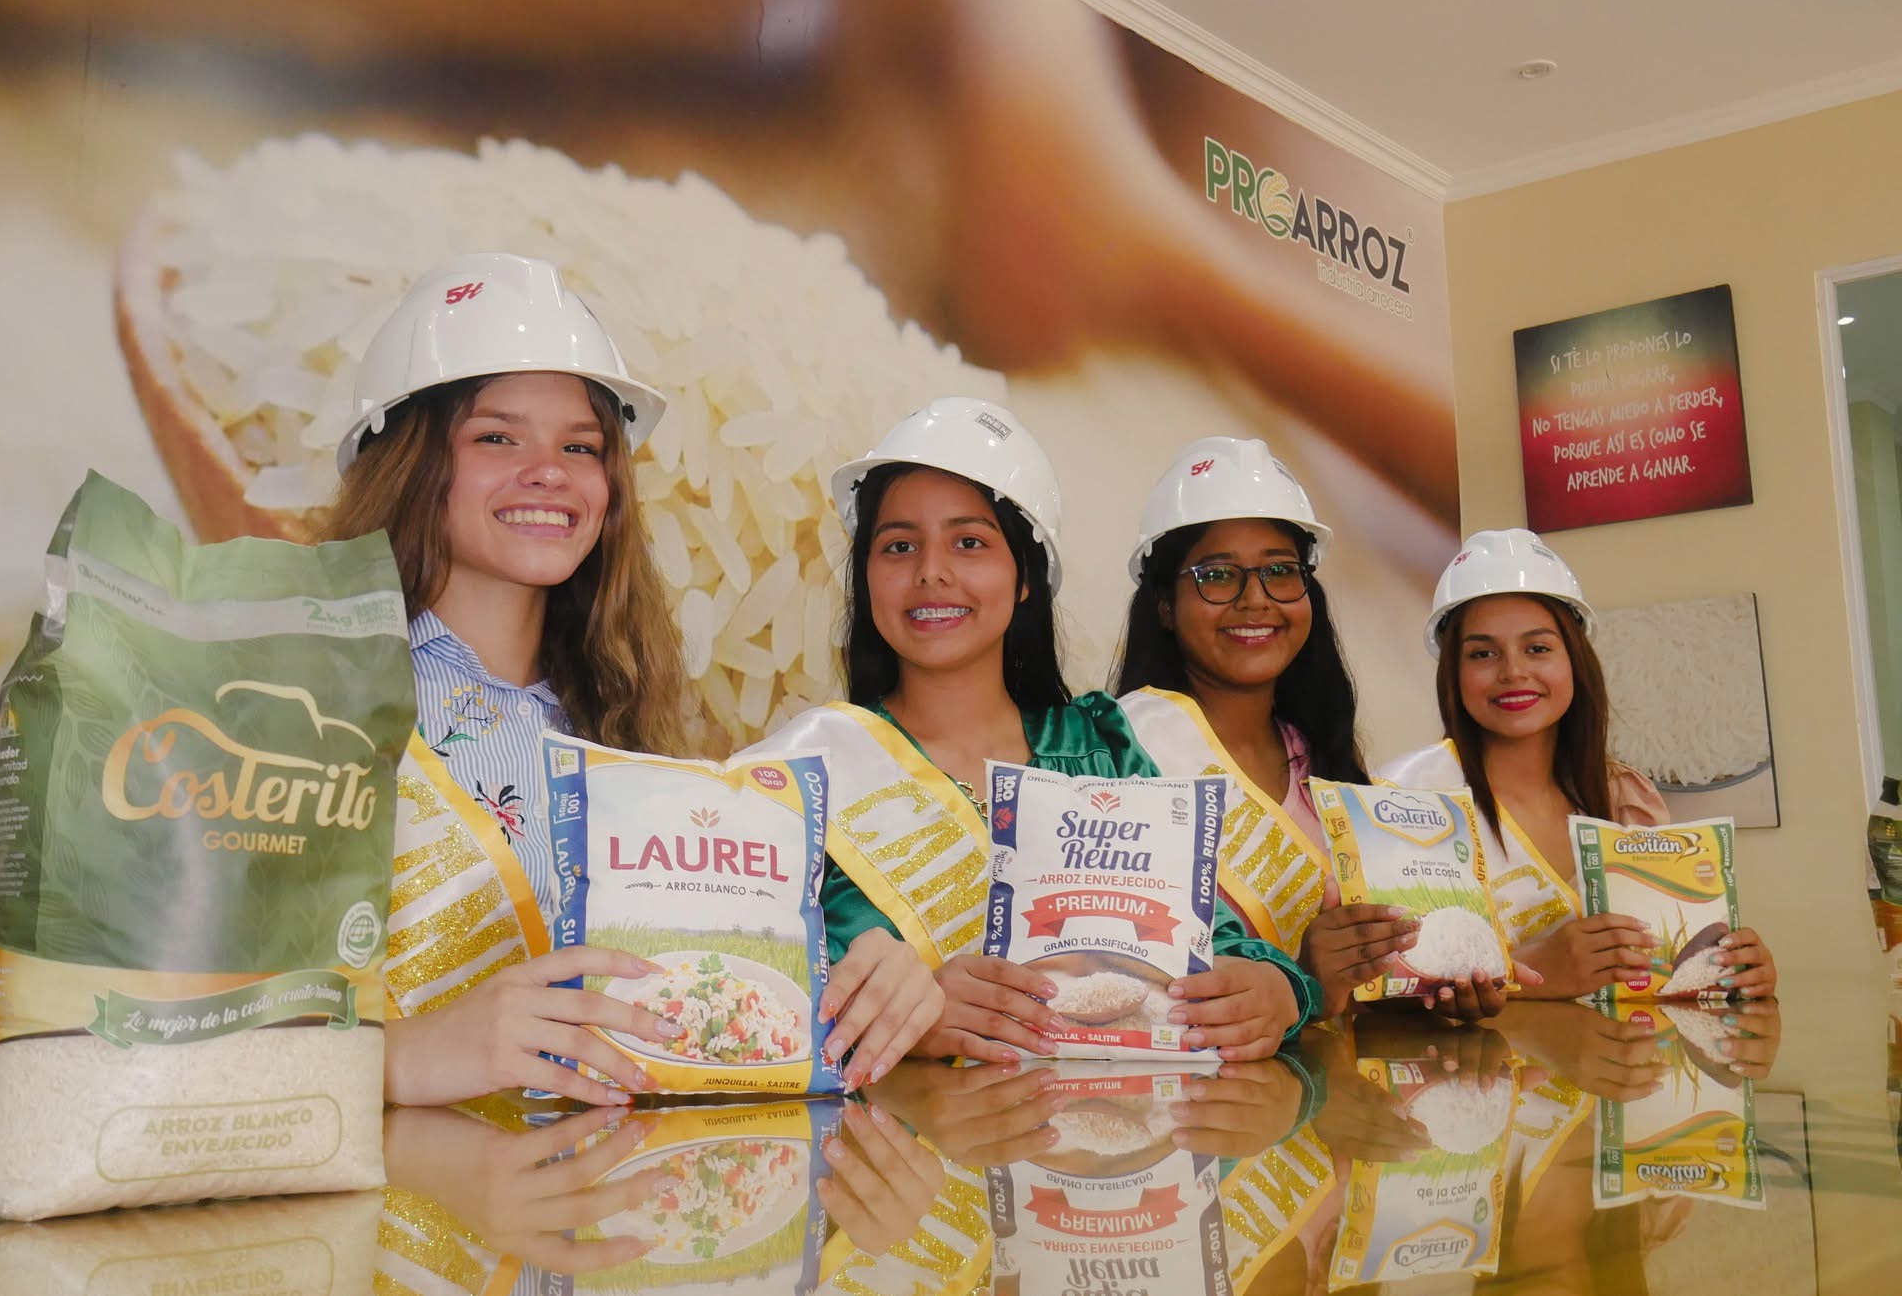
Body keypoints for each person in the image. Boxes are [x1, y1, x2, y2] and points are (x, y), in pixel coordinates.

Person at [327, 251, 936, 1104]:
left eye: (581, 446)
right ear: (407, 460)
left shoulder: (621, 724)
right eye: (497, 436)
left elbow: (696, 1003)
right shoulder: (311, 703)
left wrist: (865, 985)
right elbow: (194, 1040)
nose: (549, 471)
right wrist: (402, 1059)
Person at [744, 399, 1317, 1066]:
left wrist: (1279, 990)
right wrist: (909, 1015)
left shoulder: (1100, 750)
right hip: (896, 1130)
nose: (930, 571)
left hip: (1112, 1128)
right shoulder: (808, 774)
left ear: (1024, 577)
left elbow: (1213, 941)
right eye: (898, 546)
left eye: (969, 542)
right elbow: (740, 991)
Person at [1111, 438, 1498, 1019]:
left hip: (1331, 1075)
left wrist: (1431, 993)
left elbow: (1365, 995)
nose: (1255, 600)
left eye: (1280, 571)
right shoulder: (1119, 750)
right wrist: (1305, 981)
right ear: (1165, 604)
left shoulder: (1327, 769)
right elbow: (1112, 979)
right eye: (1218, 575)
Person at [1380, 529, 1777, 1002]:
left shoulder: (1624, 795)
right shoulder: (1406, 797)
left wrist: (1730, 973)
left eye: (1538, 648)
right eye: (1482, 653)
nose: (1513, 672)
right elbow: (1384, 992)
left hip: (1620, 1048)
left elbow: (1661, 970)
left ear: (1575, 660)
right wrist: (1533, 971)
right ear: (1453, 672)